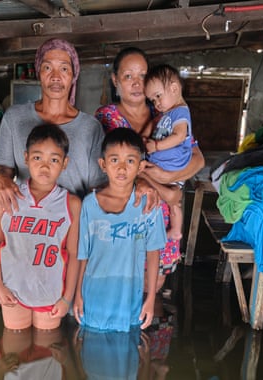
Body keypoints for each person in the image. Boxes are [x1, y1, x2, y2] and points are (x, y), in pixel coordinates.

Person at [95, 46, 205, 292]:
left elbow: (198, 159)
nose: (136, 84)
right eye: (128, 76)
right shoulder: (106, 117)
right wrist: (155, 183)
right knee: (122, 289)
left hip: (162, 217)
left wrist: (169, 180)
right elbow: (110, 167)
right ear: (115, 80)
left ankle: (150, 327)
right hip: (125, 218)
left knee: (154, 289)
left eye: (142, 76)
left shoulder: (166, 112)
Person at [0, 38, 106, 210]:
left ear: (73, 76)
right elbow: (4, 167)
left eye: (64, 69)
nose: (55, 77)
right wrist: (1, 178)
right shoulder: (14, 118)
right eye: (47, 67)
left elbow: (96, 188)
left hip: (73, 223)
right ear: (38, 72)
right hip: (27, 221)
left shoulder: (91, 128)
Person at [0, 124, 81, 331]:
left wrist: (67, 298)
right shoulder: (8, 196)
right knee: (14, 343)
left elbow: (74, 254)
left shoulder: (71, 203)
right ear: (26, 157)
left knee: (46, 348)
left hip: (50, 292)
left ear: (65, 163)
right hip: (12, 290)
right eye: (37, 157)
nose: (45, 166)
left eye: (54, 160)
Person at [73, 128, 167, 332]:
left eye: (130, 161)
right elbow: (83, 254)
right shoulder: (90, 204)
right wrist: (78, 293)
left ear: (141, 167)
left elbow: (153, 254)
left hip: (129, 298)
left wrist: (150, 298)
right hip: (94, 295)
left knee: (126, 355)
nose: (122, 168)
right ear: (103, 164)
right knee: (92, 354)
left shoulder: (149, 206)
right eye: (114, 160)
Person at [143, 63, 193, 241]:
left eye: (158, 96)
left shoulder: (180, 112)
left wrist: (156, 147)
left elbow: (179, 136)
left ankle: (176, 230)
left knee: (174, 202)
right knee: (170, 201)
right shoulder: (168, 114)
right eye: (153, 100)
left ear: (174, 88)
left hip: (173, 167)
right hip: (164, 166)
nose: (156, 103)